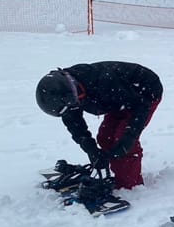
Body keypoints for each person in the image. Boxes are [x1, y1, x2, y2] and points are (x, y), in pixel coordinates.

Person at [35, 62, 163, 189]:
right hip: (119, 98)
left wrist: (129, 138)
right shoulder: (68, 94)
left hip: (145, 92)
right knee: (105, 137)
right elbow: (76, 126)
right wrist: (92, 151)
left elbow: (141, 107)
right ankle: (114, 167)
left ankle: (130, 185)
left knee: (122, 140)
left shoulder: (103, 83)